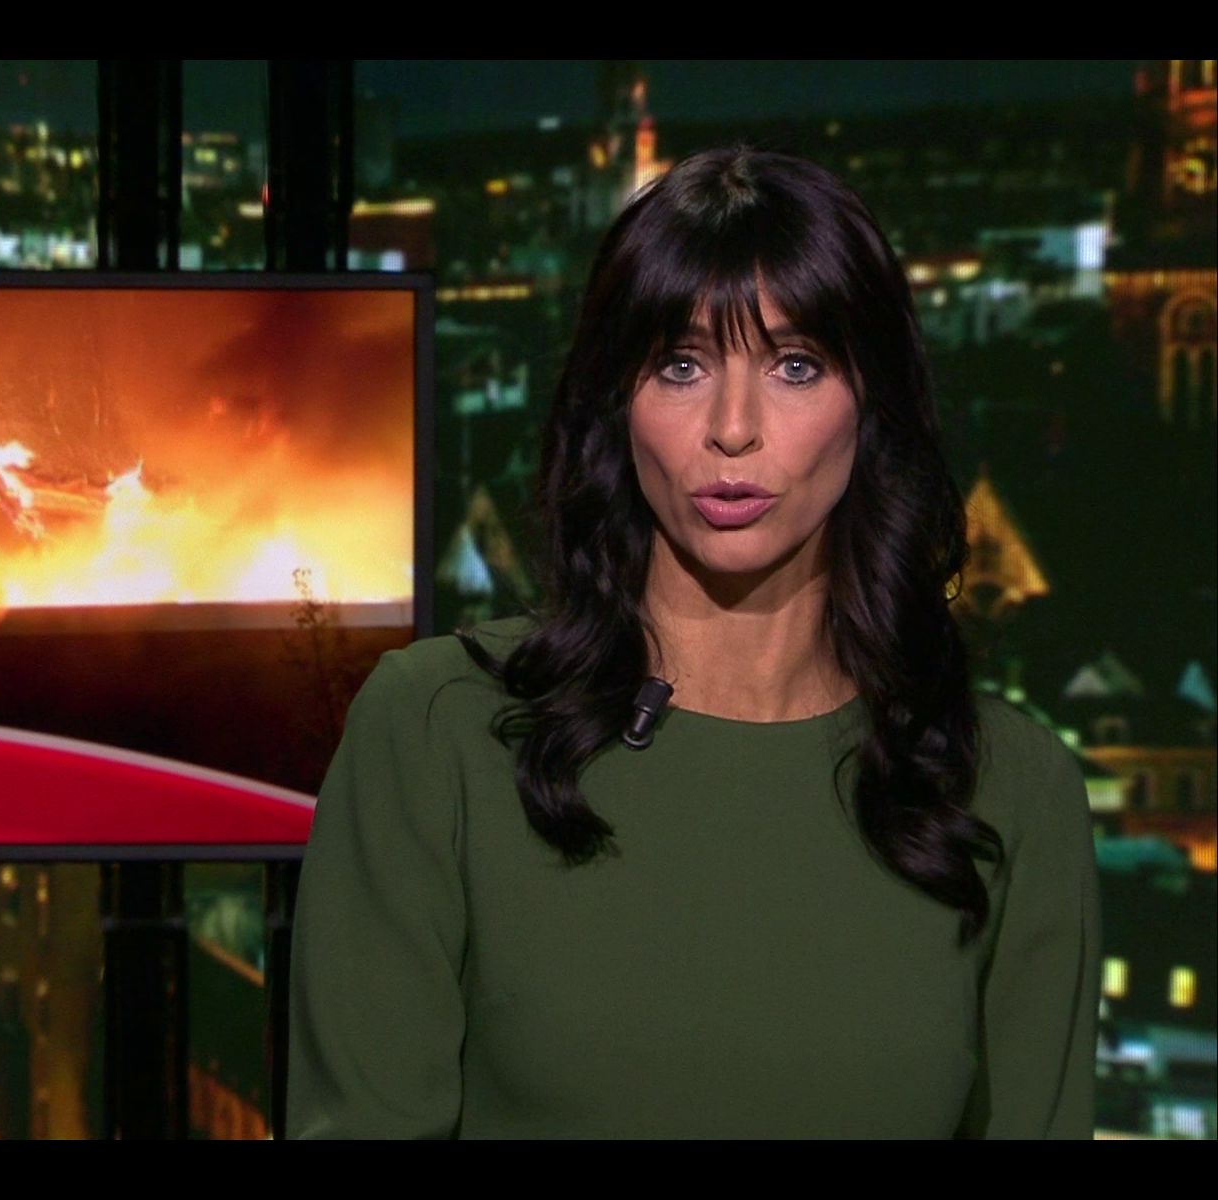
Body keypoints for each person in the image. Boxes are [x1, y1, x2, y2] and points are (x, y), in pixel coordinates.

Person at [285, 144, 1102, 1139]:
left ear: (871, 403)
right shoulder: (437, 732)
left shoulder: (1011, 788)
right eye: (682, 365)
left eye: (796, 366)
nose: (733, 428)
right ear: (617, 402)